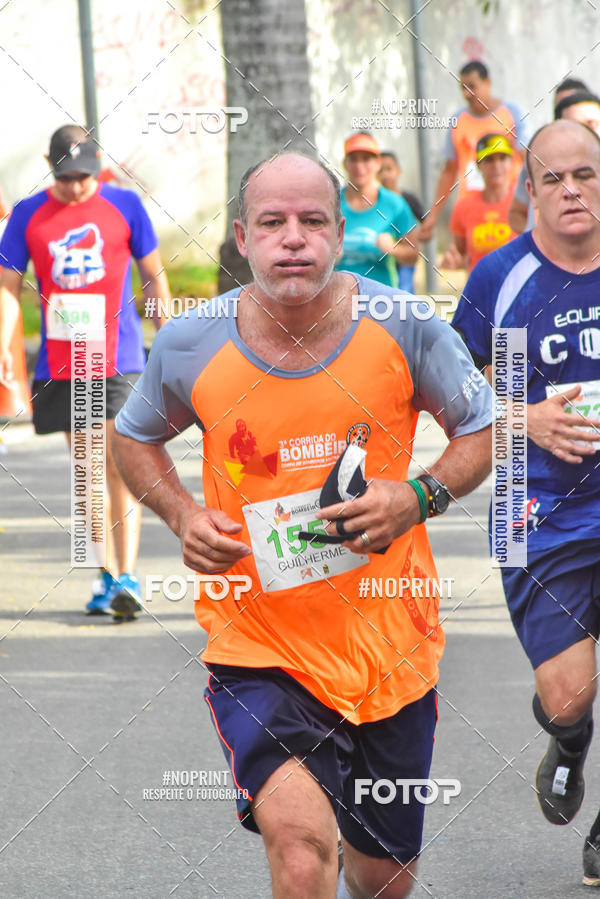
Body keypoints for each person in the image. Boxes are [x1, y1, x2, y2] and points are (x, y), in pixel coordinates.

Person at [112, 152, 493, 899]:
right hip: (259, 644)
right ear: (242, 237)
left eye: (312, 221)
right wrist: (182, 511)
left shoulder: (405, 325)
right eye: (273, 223)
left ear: (340, 231)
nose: (293, 238)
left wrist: (417, 497)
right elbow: (134, 436)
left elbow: (480, 428)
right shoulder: (193, 342)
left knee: (383, 879)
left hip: (389, 646)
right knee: (299, 847)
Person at [452, 119, 600, 888]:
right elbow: (451, 390)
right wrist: (526, 417)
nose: (572, 189)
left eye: (586, 174)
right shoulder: (500, 278)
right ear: (531, 192)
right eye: (554, 178)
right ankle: (570, 739)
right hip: (535, 506)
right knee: (567, 691)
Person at [0, 124, 171, 619]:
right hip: (63, 359)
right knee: (89, 469)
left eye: (85, 175)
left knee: (119, 461)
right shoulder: (29, 215)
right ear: (49, 164)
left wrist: (168, 328)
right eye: (67, 176)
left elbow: (153, 274)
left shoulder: (126, 205)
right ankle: (106, 573)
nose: (77, 186)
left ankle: (126, 577)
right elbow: (8, 289)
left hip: (119, 356)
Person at [420, 61, 529, 240]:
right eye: (463, 88)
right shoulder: (458, 120)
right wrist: (433, 216)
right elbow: (449, 171)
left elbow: (526, 158)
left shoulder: (512, 113)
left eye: (472, 86)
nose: (467, 94)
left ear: (488, 83)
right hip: (471, 210)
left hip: (508, 205)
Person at [508, 79, 592, 234]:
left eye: (585, 176)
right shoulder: (536, 158)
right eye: (554, 179)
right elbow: (516, 213)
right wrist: (539, 243)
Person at [335, 133, 418, 287]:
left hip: (381, 300)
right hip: (337, 297)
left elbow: (413, 255)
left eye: (366, 159)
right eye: (354, 159)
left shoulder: (394, 204)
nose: (359, 166)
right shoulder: (332, 202)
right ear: (345, 164)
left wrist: (393, 249)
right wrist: (327, 256)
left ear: (377, 163)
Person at [441, 133, 516, 272]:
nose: (496, 165)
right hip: (479, 290)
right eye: (489, 159)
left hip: (518, 289)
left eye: (502, 158)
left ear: (511, 162)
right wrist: (453, 263)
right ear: (478, 165)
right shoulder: (463, 207)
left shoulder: (526, 204)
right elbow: (461, 255)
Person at [378, 150, 425, 291]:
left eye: (389, 169)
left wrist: (413, 236)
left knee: (404, 295)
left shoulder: (408, 199)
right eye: (381, 170)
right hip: (382, 259)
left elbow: (427, 223)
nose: (385, 175)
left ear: (398, 171)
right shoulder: (374, 202)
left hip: (404, 261)